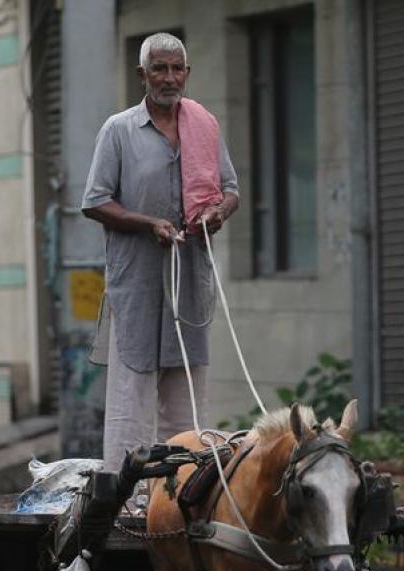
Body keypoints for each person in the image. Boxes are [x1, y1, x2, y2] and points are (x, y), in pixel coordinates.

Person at [81, 32, 240, 476]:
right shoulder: (118, 129)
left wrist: (218, 213)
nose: (169, 78)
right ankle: (126, 499)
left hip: (189, 277)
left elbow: (231, 190)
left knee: (187, 393)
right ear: (142, 75)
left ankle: (184, 492)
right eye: (160, 69)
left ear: (187, 74)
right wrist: (148, 223)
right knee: (132, 395)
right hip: (137, 280)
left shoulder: (204, 125)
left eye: (177, 69)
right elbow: (94, 201)